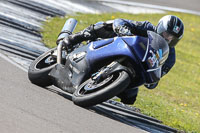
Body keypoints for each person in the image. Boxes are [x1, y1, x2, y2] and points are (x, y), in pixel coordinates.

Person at [57, 15, 184, 105]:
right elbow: (121, 22)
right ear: (160, 27)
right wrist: (124, 31)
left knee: (130, 98)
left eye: (173, 37)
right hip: (120, 47)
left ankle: (102, 88)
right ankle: (76, 38)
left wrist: (153, 80)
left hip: (135, 69)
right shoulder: (147, 27)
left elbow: (159, 75)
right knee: (107, 26)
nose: (168, 38)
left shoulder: (170, 57)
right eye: (167, 33)